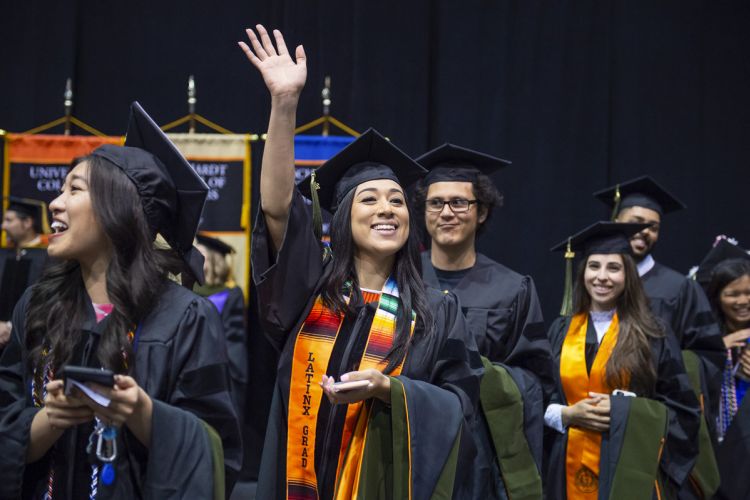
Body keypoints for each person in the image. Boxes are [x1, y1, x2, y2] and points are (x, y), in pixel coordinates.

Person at [239, 25, 482, 499]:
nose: (387, 208)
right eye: (369, 199)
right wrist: (284, 103)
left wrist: (389, 391)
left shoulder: (434, 312)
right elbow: (277, 208)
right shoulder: (310, 289)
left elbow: (462, 407)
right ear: (344, 217)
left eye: (396, 199)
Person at [0, 102, 241, 498]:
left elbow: (217, 449)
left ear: (119, 212)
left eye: (74, 189)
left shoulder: (184, 317)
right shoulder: (37, 306)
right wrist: (48, 421)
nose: (55, 203)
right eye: (60, 189)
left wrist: (143, 413)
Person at [413, 143, 554, 499]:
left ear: (482, 212)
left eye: (459, 203)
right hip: (411, 437)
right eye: (436, 203)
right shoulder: (401, 281)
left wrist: (480, 375)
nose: (447, 212)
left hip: (481, 452)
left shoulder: (513, 289)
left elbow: (536, 379)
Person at [545, 222, 700, 499]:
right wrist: (566, 414)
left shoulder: (653, 333)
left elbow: (683, 412)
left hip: (629, 466)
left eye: (613, 268)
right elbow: (538, 396)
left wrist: (626, 411)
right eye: (594, 266)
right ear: (582, 272)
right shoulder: (560, 330)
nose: (602, 277)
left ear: (628, 274)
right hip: (563, 470)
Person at [593, 177, 724, 429]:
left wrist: (661, 367)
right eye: (636, 222)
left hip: (654, 416)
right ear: (615, 220)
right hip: (593, 407)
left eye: (653, 227)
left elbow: (709, 355)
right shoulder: (596, 282)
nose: (645, 231)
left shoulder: (678, 288)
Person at [696, 238, 750, 499]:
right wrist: (718, 350)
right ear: (717, 297)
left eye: (749, 293)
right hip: (716, 451)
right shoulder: (704, 339)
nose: (743, 301)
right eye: (733, 294)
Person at [194, 232, 249, 463]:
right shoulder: (189, 292)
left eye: (201, 254)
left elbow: (234, 339)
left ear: (214, 259)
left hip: (223, 374)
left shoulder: (230, 294)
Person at [0, 197, 50, 349]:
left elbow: (43, 300)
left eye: (9, 220)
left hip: (29, 339)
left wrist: (10, 326)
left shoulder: (48, 257)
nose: (3, 226)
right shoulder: (4, 255)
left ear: (27, 223)